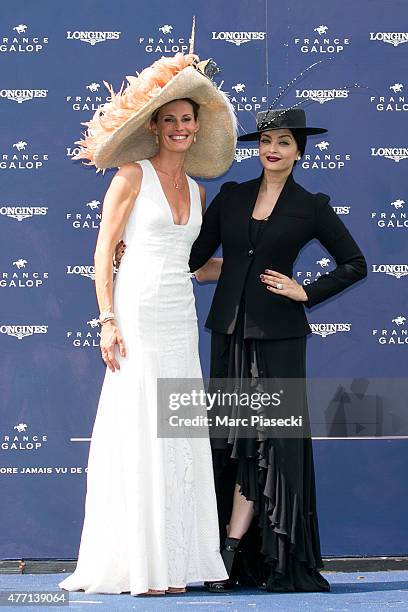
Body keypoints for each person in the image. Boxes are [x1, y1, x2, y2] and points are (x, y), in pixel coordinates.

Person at [58, 52, 237, 596]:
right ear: (155, 126)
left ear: (196, 127)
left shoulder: (201, 192)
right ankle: (141, 563)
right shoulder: (130, 175)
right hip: (135, 310)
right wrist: (107, 320)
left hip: (180, 316)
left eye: (188, 120)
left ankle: (176, 561)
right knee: (139, 426)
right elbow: (103, 252)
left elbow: (194, 266)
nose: (180, 128)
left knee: (176, 431)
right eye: (170, 120)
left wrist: (248, 265)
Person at [188, 107, 367, 593]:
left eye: (285, 141)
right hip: (229, 334)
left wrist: (306, 291)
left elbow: (355, 264)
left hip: (280, 341)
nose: (273, 149)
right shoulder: (232, 195)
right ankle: (224, 551)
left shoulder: (311, 205)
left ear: (298, 151)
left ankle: (262, 555)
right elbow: (194, 256)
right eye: (267, 139)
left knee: (273, 443)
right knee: (231, 441)